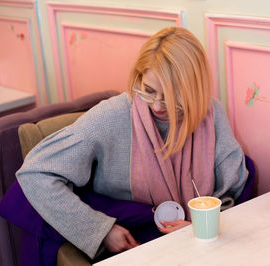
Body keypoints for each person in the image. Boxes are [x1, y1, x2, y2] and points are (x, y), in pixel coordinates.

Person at [16, 27, 248, 260]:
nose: (157, 106)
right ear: (138, 77)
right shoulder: (112, 116)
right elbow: (35, 173)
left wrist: (199, 227)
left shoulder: (211, 114)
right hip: (132, 243)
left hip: (194, 245)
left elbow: (233, 190)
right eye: (148, 91)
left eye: (171, 96)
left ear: (193, 92)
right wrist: (100, 230)